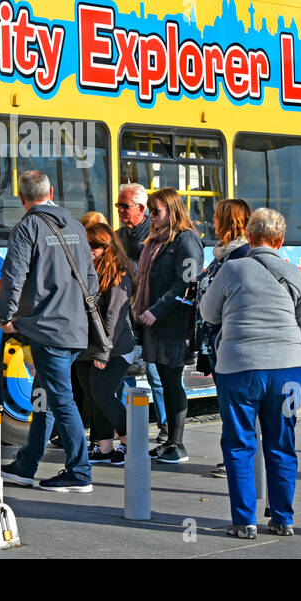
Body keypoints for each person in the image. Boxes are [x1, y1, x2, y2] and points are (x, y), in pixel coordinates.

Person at [199, 208, 301, 538]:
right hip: (288, 369)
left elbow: (208, 312)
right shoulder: (292, 271)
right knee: (282, 442)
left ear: (249, 237)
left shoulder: (233, 269)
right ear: (281, 240)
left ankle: (245, 520)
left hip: (239, 367)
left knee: (239, 444)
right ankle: (282, 518)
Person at [0, 170, 99, 493]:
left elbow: (13, 275)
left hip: (47, 329)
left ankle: (79, 470)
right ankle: (27, 464)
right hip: (73, 329)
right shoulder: (75, 226)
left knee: (61, 400)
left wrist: (5, 316)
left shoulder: (28, 227)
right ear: (51, 191)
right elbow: (91, 279)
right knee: (43, 395)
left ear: (22, 198)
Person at [132, 187, 204, 464]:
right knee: (165, 380)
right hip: (158, 322)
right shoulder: (159, 241)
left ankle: (177, 443)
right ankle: (170, 441)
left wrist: (157, 310)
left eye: (157, 211)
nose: (152, 217)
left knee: (172, 382)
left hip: (173, 323)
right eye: (150, 211)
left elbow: (186, 283)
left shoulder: (185, 241)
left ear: (172, 211)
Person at [192, 198, 253, 479]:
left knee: (234, 405)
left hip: (228, 340)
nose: (212, 222)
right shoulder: (222, 255)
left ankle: (238, 461)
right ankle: (235, 458)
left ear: (227, 221)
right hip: (215, 340)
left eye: (216, 217)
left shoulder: (241, 255)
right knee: (228, 404)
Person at [77, 223, 136, 466]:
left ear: (108, 247)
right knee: (92, 395)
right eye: (87, 244)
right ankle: (104, 447)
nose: (91, 250)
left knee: (103, 394)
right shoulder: (86, 269)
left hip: (114, 348)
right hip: (86, 346)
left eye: (96, 246)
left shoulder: (118, 274)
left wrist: (104, 351)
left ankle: (132, 442)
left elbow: (115, 318)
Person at [115, 182, 168, 440]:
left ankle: (166, 425)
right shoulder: (118, 236)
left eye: (125, 206)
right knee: (123, 372)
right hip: (124, 312)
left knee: (156, 373)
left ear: (141, 208)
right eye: (118, 206)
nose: (121, 211)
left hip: (149, 312)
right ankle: (128, 426)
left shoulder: (156, 234)